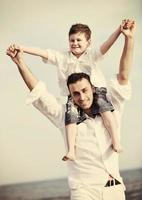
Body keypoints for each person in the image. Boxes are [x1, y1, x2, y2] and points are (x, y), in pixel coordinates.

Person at [7, 19, 135, 200]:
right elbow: (39, 92)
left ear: (93, 88)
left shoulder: (111, 108)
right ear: (70, 95)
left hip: (114, 188)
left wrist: (128, 38)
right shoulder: (65, 116)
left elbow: (123, 75)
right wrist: (20, 62)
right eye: (75, 94)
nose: (81, 97)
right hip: (83, 191)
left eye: (85, 91)